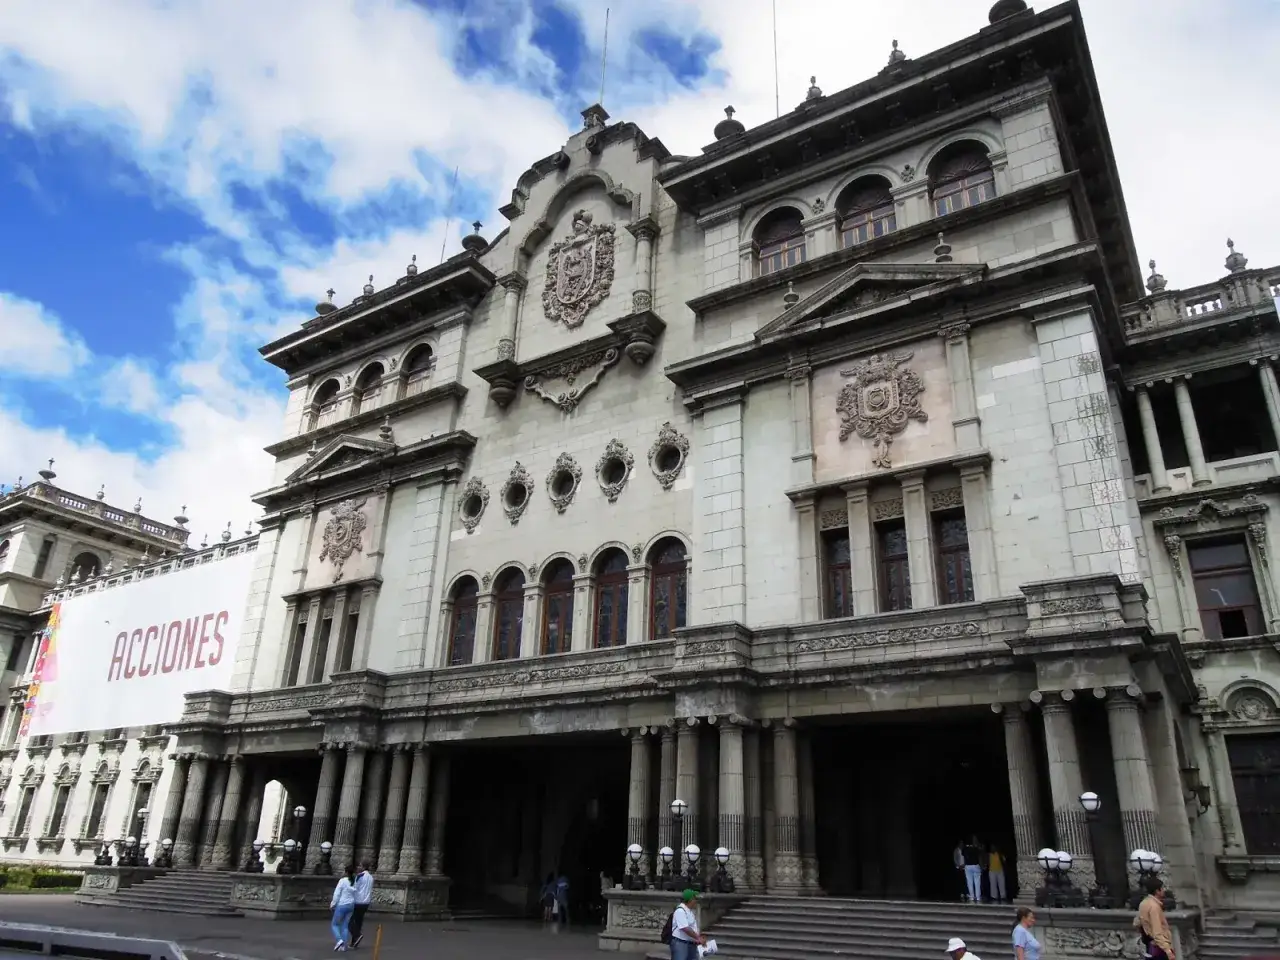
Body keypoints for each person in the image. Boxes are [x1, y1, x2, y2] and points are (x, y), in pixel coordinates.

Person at [1134, 876, 1175, 960]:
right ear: (1157, 891)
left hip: (1149, 944)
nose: (1163, 890)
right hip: (1158, 947)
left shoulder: (1143, 903)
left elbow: (1137, 922)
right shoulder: (1154, 907)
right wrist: (1168, 951)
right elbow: (1157, 932)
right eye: (1162, 888)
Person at [670, 888, 707, 960]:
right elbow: (685, 928)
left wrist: (698, 938)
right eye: (695, 899)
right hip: (681, 943)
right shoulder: (680, 911)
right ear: (690, 900)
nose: (696, 901)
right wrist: (698, 938)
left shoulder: (689, 911)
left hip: (690, 943)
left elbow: (692, 927)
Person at [329, 864, 357, 952]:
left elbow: (337, 893)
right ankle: (343, 946)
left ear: (346, 872)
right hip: (351, 905)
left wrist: (333, 904)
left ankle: (339, 940)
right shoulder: (354, 881)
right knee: (345, 926)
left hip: (342, 905)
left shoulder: (342, 881)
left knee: (335, 924)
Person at [349, 861, 373, 948]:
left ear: (363, 867)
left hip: (358, 901)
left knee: (350, 920)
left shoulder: (360, 876)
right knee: (358, 921)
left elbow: (354, 888)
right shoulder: (371, 877)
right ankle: (354, 941)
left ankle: (357, 935)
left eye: (360, 866)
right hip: (366, 902)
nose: (358, 867)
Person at [962, 836, 984, 903]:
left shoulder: (964, 848)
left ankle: (972, 896)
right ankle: (978, 897)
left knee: (969, 882)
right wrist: (981, 866)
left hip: (968, 866)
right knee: (977, 882)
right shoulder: (976, 848)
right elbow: (980, 857)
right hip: (975, 865)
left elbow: (964, 856)